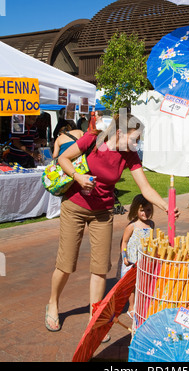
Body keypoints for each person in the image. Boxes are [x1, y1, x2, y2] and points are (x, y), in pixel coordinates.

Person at [45, 112, 180, 336]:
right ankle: (53, 303)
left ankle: (94, 319)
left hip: (103, 211)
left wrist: (166, 206)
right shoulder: (93, 139)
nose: (137, 144)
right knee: (66, 263)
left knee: (100, 268)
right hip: (75, 206)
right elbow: (63, 159)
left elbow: (145, 188)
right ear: (119, 133)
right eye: (134, 138)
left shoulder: (130, 156)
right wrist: (79, 178)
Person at [119, 194, 155, 318]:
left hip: (145, 259)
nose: (145, 213)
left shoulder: (151, 224)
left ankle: (142, 303)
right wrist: (124, 255)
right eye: (142, 210)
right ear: (136, 210)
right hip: (132, 260)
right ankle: (131, 305)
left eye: (148, 210)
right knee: (132, 285)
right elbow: (124, 242)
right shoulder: (132, 226)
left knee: (142, 282)